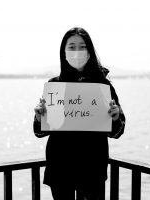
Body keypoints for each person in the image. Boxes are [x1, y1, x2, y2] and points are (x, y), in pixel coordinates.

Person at [33, 27, 126, 200]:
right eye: (72, 47)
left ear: (90, 51)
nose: (77, 52)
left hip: (92, 169)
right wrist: (40, 116)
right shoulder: (54, 85)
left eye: (82, 46)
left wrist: (115, 117)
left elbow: (118, 132)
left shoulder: (103, 86)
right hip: (60, 168)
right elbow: (39, 132)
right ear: (64, 52)